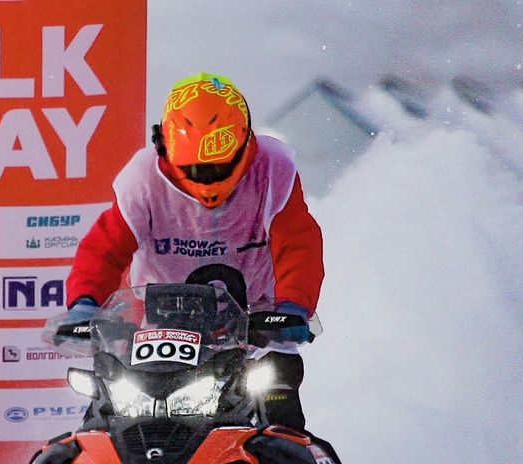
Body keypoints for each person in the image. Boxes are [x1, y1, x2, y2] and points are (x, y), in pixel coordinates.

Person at [57, 72, 325, 430]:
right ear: (165, 149)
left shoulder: (274, 170)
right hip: (159, 331)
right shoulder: (142, 180)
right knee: (104, 422)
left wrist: (294, 306)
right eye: (194, 170)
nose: (207, 179)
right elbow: (103, 249)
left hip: (259, 326)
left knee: (283, 415)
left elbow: (299, 245)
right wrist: (86, 303)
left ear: (245, 145)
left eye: (217, 168)